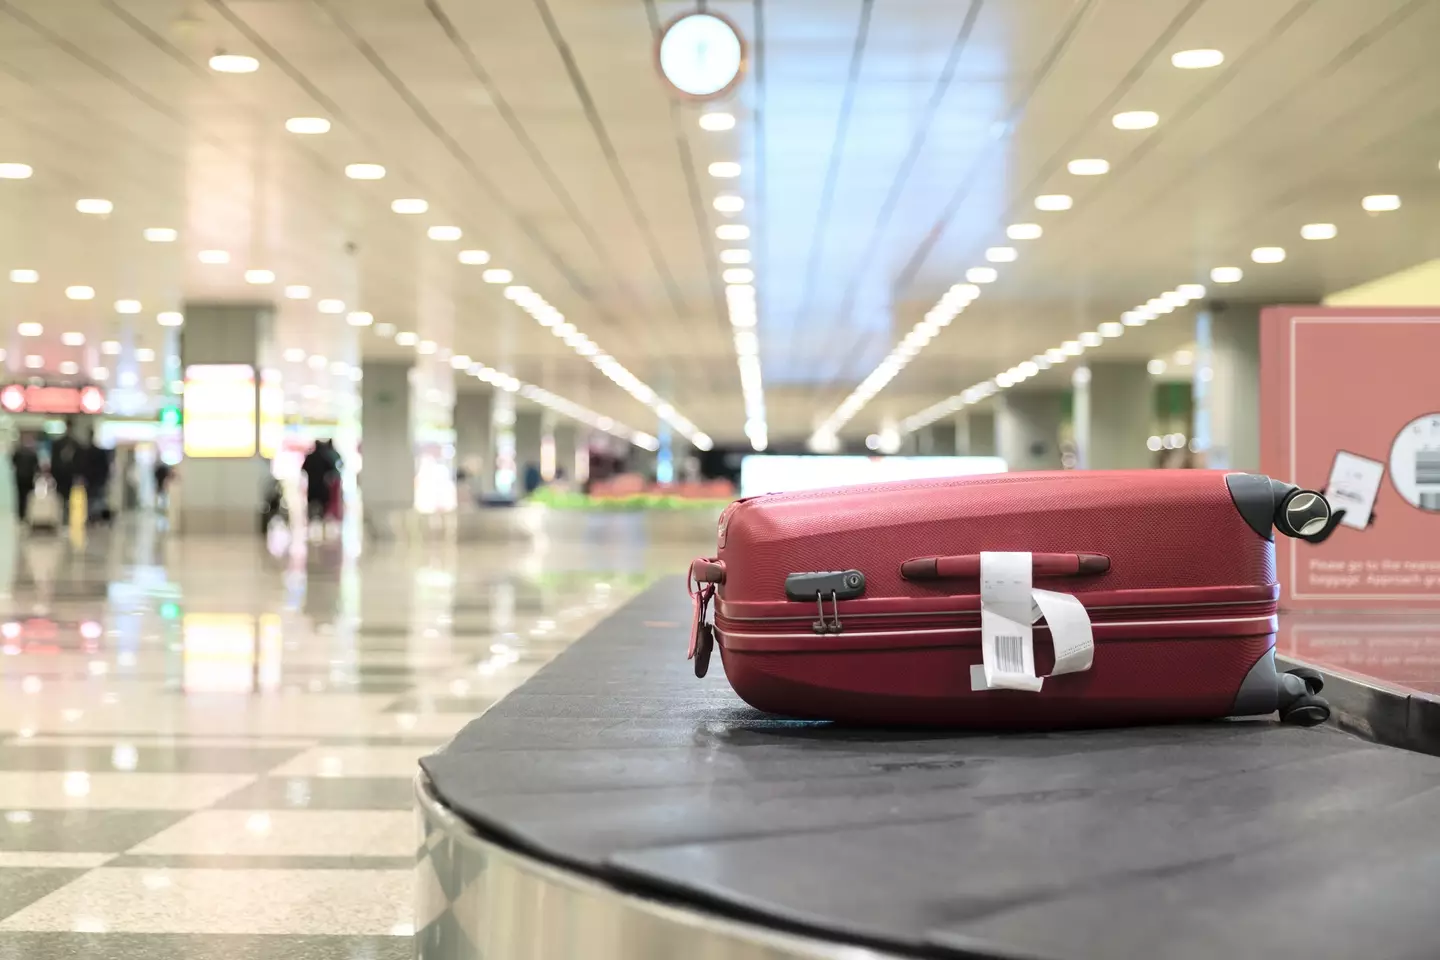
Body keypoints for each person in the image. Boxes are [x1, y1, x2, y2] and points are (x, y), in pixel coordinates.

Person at [301, 439, 342, 525]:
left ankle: (311, 524)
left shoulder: (310, 457)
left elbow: (303, 468)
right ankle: (322, 526)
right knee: (323, 508)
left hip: (312, 487)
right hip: (322, 487)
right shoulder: (325, 457)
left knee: (312, 507)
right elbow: (332, 469)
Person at [48, 423, 82, 523]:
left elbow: (79, 461)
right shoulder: (59, 444)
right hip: (60, 475)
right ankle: (61, 516)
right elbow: (54, 460)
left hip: (70, 475)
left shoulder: (75, 444)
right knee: (61, 496)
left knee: (70, 497)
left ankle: (67, 516)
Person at [82, 440, 112, 524]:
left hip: (92, 480)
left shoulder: (87, 453)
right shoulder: (99, 453)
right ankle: (97, 517)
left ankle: (94, 517)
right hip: (97, 480)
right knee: (98, 499)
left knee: (93, 500)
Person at [10, 438, 39, 521]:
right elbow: (37, 466)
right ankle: (28, 513)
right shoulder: (33, 454)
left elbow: (13, 462)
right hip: (29, 477)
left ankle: (21, 514)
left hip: (20, 477)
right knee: (28, 496)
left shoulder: (18, 453)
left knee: (20, 496)